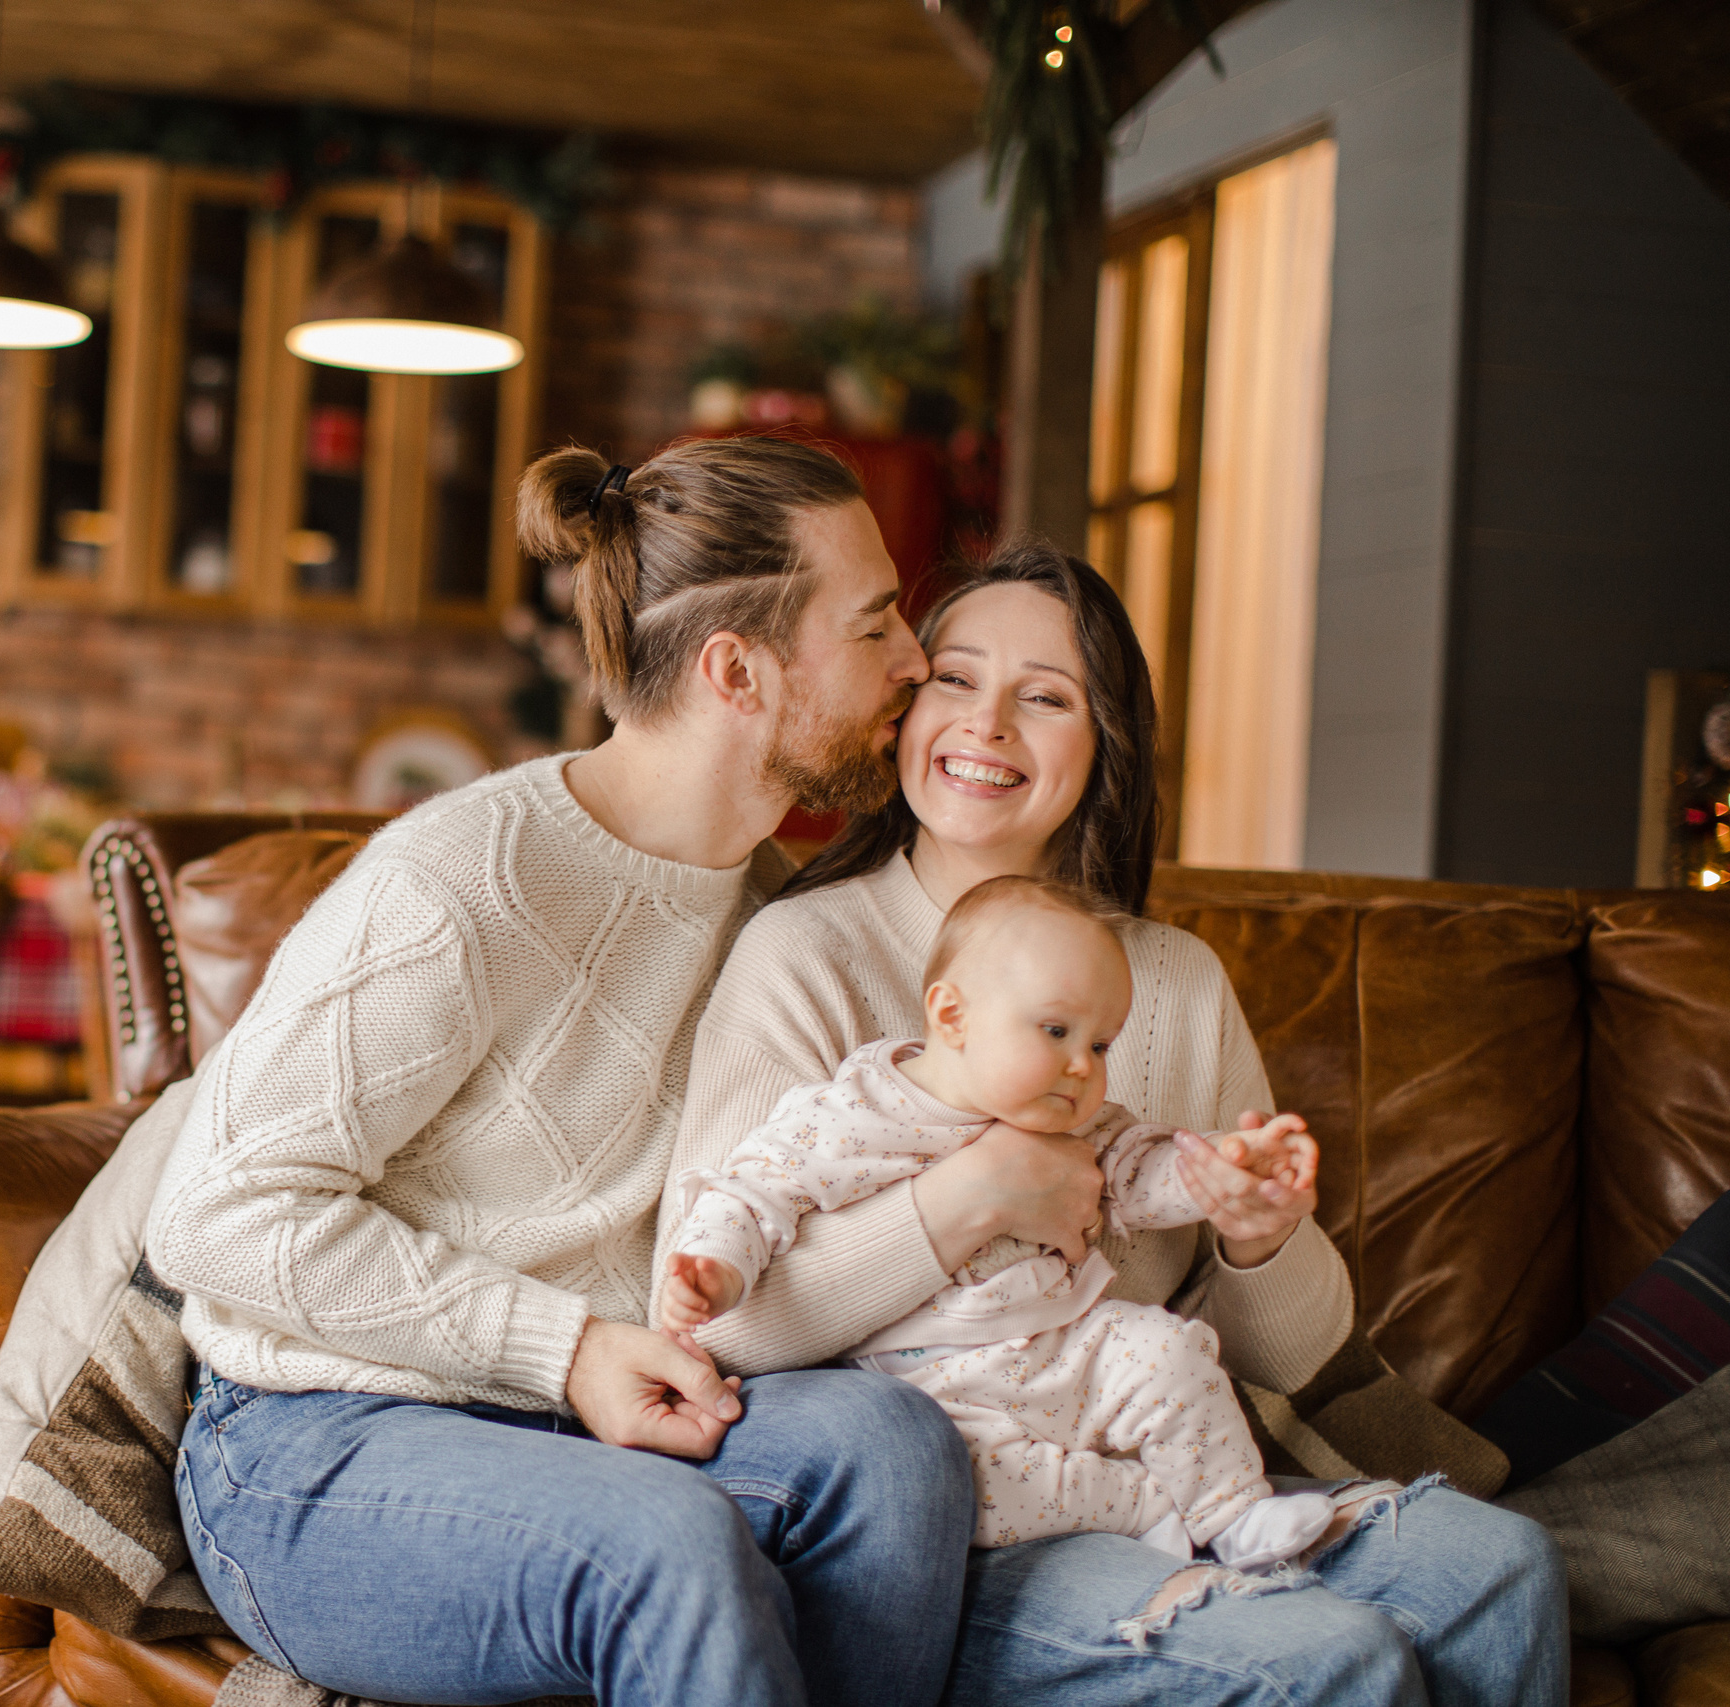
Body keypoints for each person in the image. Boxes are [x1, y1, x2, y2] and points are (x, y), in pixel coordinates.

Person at [669, 540, 1568, 1704]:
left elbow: (1289, 1358)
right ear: (901, 708)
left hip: (1162, 1440)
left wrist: (1258, 1234)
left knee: (1507, 1570)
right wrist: (974, 1197)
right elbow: (716, 1331)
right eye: (955, 678)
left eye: (1045, 698)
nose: (986, 723)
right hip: (956, 1495)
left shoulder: (1173, 983)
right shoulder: (803, 956)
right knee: (1327, 1663)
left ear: (1102, 752)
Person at [146, 437, 965, 1707]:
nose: (916, 660)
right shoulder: (464, 883)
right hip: (314, 1447)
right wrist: (565, 1346)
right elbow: (216, 1214)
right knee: (664, 1545)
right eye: (875, 626)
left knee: (895, 1452)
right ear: (736, 671)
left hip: (583, 1428)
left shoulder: (774, 916)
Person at [662, 874, 1337, 1570]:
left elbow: (1144, 1174)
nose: (1082, 1066)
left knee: (1169, 1351)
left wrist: (1222, 1166)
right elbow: (751, 1192)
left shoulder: (1081, 1124)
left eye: (1101, 1045)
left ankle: (1235, 1511)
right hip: (934, 1388)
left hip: (1070, 1344)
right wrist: (717, 1269)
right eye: (1056, 1031)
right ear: (951, 1017)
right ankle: (1141, 1505)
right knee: (961, 1485)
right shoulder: (852, 1114)